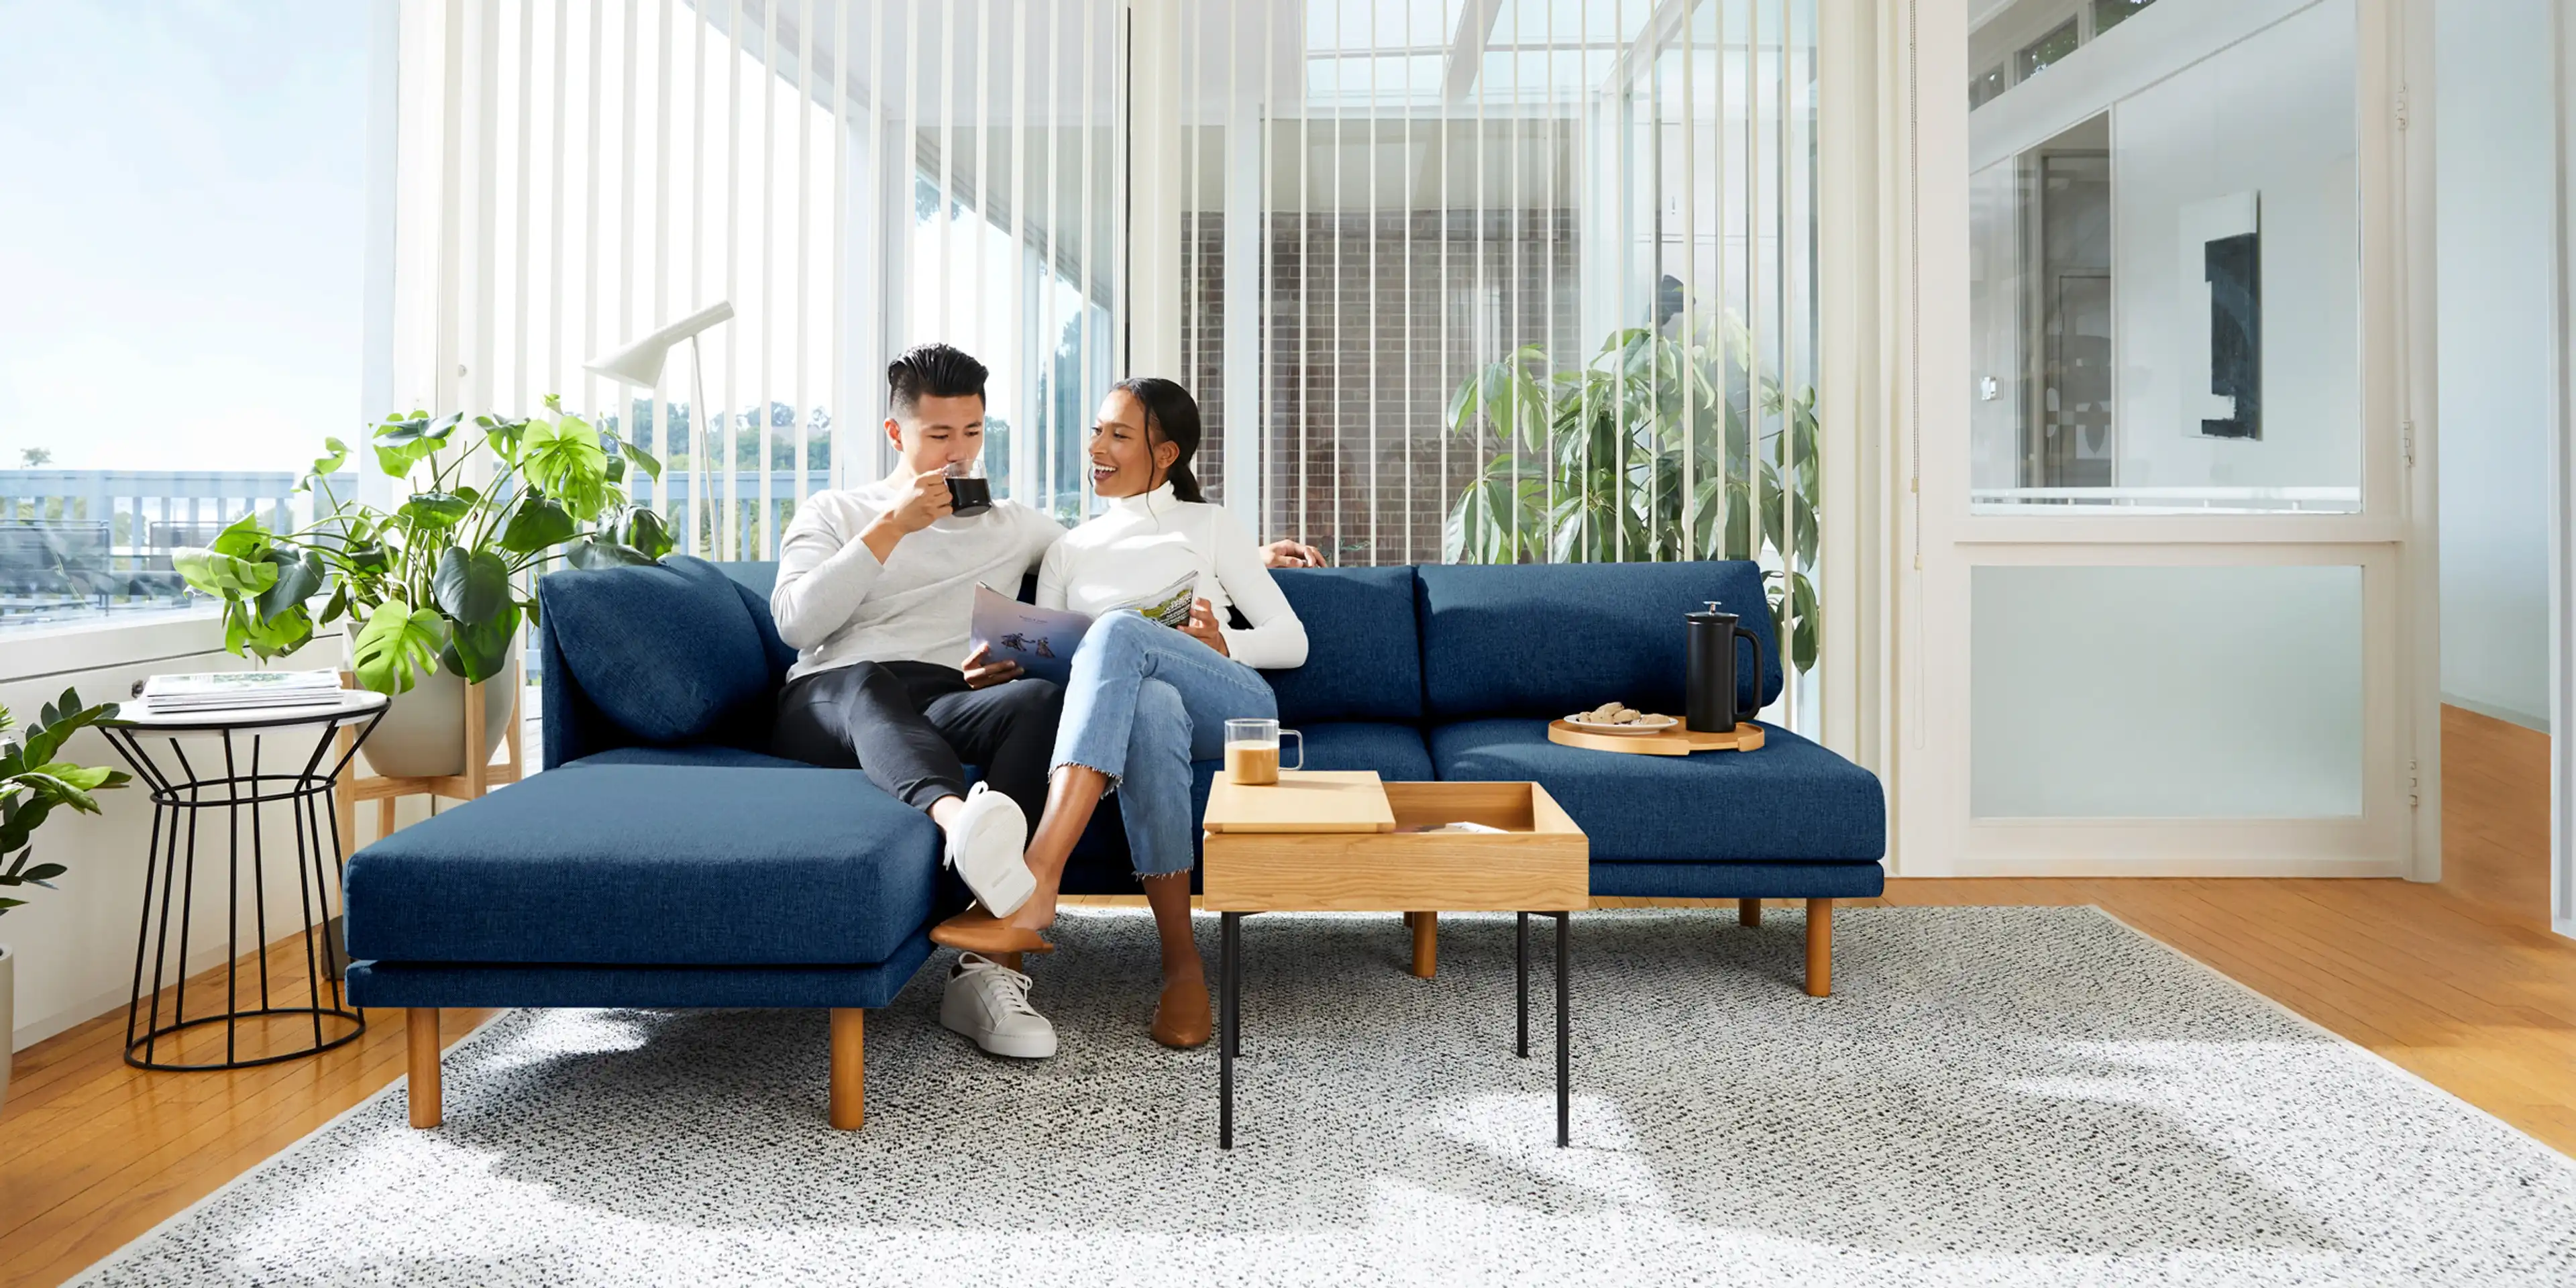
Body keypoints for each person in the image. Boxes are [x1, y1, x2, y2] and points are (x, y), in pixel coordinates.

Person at [766, 344, 1320, 1061]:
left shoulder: (1021, 528)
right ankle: (977, 834)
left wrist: (1250, 564)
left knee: (1043, 699)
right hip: (836, 695)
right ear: (896, 434)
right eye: (940, 435)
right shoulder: (837, 511)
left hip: (948, 699)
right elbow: (795, 625)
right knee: (890, 680)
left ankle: (1023, 914)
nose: (959, 454)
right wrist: (894, 526)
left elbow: (1122, 574)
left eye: (973, 433)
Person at [929, 378, 1303, 1051]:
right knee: (1146, 697)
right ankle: (1182, 967)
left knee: (1118, 632)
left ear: (1165, 454)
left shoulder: (1210, 525)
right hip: (1140, 716)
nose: (1096, 447)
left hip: (1234, 707)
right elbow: (1057, 658)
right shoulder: (1070, 549)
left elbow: (1291, 638)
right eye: (1097, 430)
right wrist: (1000, 667)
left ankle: (1038, 879)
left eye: (1118, 436)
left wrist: (1225, 642)